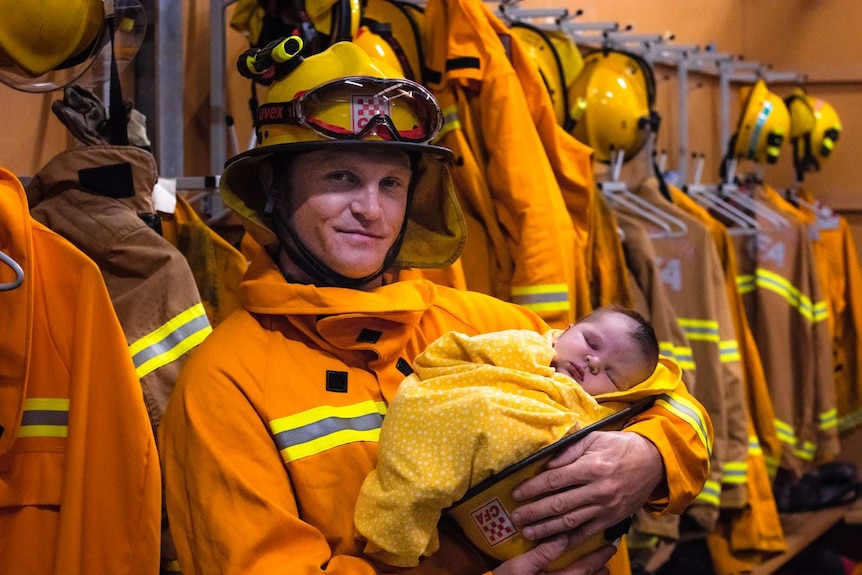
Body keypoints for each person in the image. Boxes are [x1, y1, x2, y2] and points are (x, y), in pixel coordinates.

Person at [158, 37, 713, 575]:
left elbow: (670, 395)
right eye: (341, 177)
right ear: (272, 189)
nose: (371, 210)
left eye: (392, 183)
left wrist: (650, 456)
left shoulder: (491, 325)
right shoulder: (224, 386)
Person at [354, 307, 678, 567]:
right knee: (474, 411)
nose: (593, 362)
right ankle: (399, 520)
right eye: (591, 344)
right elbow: (453, 359)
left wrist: (648, 452)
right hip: (477, 512)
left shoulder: (619, 413)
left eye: (611, 373)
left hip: (562, 544)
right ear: (566, 330)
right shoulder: (520, 343)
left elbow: (665, 408)